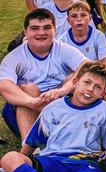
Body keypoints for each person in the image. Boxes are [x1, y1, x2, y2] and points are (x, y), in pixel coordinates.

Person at [0, 8, 87, 141]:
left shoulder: (63, 49)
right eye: (35, 28)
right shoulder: (15, 57)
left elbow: (86, 66)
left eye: (47, 27)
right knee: (29, 88)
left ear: (55, 30)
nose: (41, 33)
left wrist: (63, 90)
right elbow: (4, 85)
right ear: (25, 32)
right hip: (25, 110)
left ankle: (70, 136)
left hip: (57, 102)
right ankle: (30, 146)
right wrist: (33, 102)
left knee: (75, 78)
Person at [57, 0, 106, 68]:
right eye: (74, 16)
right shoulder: (62, 40)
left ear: (90, 18)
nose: (79, 19)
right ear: (68, 20)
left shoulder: (98, 36)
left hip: (94, 74)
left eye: (83, 15)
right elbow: (59, 66)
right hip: (72, 76)